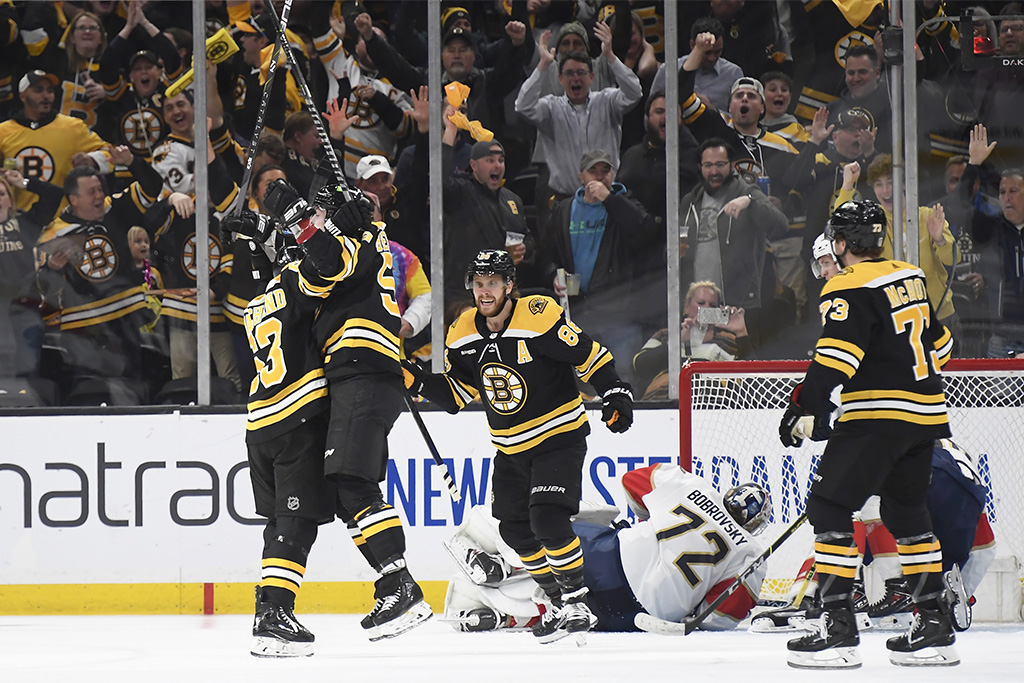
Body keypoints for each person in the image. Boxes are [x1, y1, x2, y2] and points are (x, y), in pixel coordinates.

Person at [402, 249, 635, 646]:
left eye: (492, 282)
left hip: (558, 437)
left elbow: (587, 354)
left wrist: (614, 391)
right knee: (514, 528)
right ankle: (558, 600)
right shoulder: (462, 332)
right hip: (510, 448)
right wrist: (416, 380)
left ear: (510, 285)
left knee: (547, 518)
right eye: (478, 283)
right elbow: (458, 394)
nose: (484, 291)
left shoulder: (539, 315)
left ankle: (578, 602)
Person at [778, 199, 958, 669]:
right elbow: (942, 345)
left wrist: (803, 406)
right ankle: (936, 626)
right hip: (925, 415)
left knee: (829, 506)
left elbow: (837, 358)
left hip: (878, 416)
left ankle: (837, 628)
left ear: (841, 244)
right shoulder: (911, 276)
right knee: (906, 511)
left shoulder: (847, 284)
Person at [261, 178, 432, 642]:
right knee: (343, 489)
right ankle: (393, 583)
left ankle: (400, 584)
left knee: (353, 482)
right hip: (354, 372)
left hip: (363, 368)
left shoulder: (357, 240)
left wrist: (298, 215)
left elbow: (325, 259)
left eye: (321, 214)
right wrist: (265, 228)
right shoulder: (353, 236)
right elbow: (300, 264)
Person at [222, 191, 364, 657]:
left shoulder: (256, 303)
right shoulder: (301, 280)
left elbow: (279, 265)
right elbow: (328, 266)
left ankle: (268, 608)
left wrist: (257, 232)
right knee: (297, 522)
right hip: (296, 418)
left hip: (258, 424)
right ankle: (275, 612)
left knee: (281, 521)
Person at [443, 463, 771, 634]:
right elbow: (722, 616)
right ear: (756, 525)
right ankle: (503, 616)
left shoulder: (692, 487)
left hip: (609, 560)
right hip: (638, 616)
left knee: (548, 526)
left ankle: (507, 565)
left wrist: (651, 521)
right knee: (574, 608)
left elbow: (632, 481)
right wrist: (686, 609)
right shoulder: (751, 554)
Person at [752, 439, 993, 636]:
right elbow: (985, 550)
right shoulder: (948, 451)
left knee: (844, 524)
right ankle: (933, 603)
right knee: (935, 570)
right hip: (969, 498)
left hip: (920, 473)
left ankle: (809, 598)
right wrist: (966, 590)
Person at [541, 148, 661, 384]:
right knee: (578, 379)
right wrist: (551, 276)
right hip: (578, 313)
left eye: (605, 170)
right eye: (592, 171)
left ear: (613, 174)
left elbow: (645, 231)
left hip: (619, 316)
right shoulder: (564, 210)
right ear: (581, 176)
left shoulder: (625, 202)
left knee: (622, 375)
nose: (599, 176)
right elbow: (547, 254)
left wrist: (609, 199)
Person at [514, 22, 642, 203]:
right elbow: (522, 106)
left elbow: (634, 92)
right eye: (569, 73)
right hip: (564, 201)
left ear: (591, 77)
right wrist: (543, 65)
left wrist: (610, 56)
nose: (575, 78)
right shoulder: (551, 108)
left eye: (581, 72)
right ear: (560, 78)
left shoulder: (607, 101)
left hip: (605, 198)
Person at [834, 157, 959, 341]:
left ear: (903, 184)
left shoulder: (927, 216)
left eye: (891, 182)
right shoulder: (871, 222)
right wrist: (847, 185)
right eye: (879, 184)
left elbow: (953, 259)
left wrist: (939, 239)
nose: (886, 190)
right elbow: (841, 223)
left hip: (939, 317)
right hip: (893, 321)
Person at [679, 138, 789, 347]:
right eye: (708, 165)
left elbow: (780, 226)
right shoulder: (690, 201)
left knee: (739, 365)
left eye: (720, 165)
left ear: (731, 166)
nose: (714, 171)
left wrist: (751, 201)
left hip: (737, 306)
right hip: (699, 307)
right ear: (700, 168)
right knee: (700, 364)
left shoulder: (747, 193)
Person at [440, 118, 533, 308]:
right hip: (463, 295)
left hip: (502, 294)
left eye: (501, 160)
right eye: (490, 160)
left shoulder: (512, 200)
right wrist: (450, 131)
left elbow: (528, 238)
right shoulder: (461, 192)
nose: (497, 166)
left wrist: (525, 248)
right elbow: (438, 178)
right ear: (473, 165)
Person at [0, 70, 113, 213]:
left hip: (62, 221)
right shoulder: (3, 131)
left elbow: (112, 155)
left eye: (49, 90)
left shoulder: (73, 127)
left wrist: (92, 160)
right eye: (38, 90)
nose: (46, 96)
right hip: (19, 223)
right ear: (22, 95)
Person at [633, 280, 751, 400]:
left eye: (712, 305)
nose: (706, 308)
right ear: (686, 306)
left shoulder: (728, 339)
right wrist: (678, 341)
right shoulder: (666, 335)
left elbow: (751, 379)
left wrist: (741, 332)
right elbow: (640, 367)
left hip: (712, 406)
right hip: (661, 402)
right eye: (701, 303)